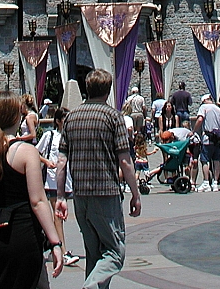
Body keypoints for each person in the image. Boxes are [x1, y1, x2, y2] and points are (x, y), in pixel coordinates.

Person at [55, 68, 141, 289]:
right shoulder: (114, 117)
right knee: (114, 251)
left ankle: (94, 283)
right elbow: (124, 160)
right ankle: (91, 285)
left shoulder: (71, 118)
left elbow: (61, 162)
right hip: (106, 193)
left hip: (81, 195)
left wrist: (61, 196)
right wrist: (135, 193)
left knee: (93, 253)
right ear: (108, 90)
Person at [0, 92, 64, 288]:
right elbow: (38, 201)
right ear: (17, 117)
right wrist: (55, 242)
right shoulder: (26, 151)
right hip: (21, 235)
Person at [36, 106, 80, 268]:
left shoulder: (71, 137)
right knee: (58, 216)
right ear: (58, 121)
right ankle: (62, 250)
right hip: (52, 180)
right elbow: (36, 151)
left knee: (59, 216)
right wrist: (47, 162)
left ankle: (50, 243)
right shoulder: (50, 136)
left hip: (68, 181)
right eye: (65, 119)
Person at [194, 93, 220, 192]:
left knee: (204, 160)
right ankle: (215, 183)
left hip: (207, 138)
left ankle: (206, 182)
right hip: (217, 139)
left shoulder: (204, 107)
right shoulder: (219, 109)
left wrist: (194, 131)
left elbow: (200, 119)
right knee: (216, 161)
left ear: (204, 101)